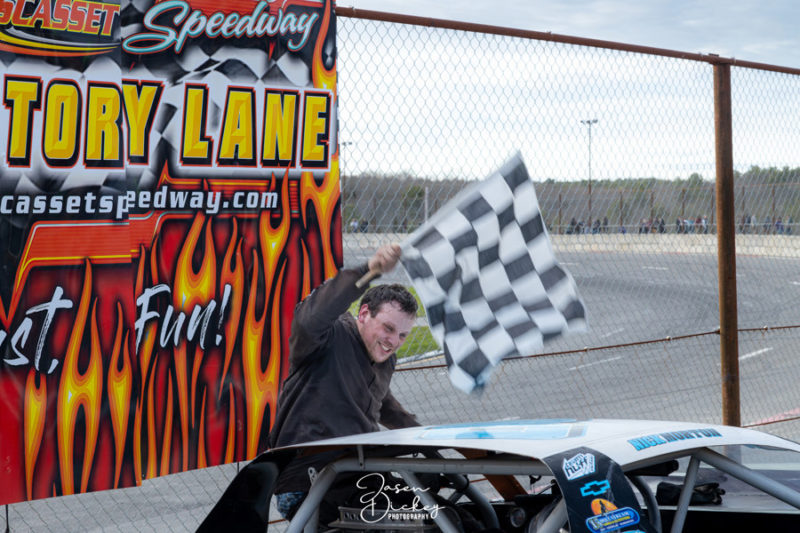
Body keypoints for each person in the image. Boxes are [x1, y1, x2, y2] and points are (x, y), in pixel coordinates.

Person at [269, 243, 419, 521]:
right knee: (404, 521)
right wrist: (369, 270)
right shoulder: (328, 336)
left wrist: (427, 438)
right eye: (388, 328)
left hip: (360, 472)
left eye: (402, 335)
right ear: (363, 314)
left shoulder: (384, 359)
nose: (393, 342)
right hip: (310, 478)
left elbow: (384, 403)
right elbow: (311, 317)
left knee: (439, 510)